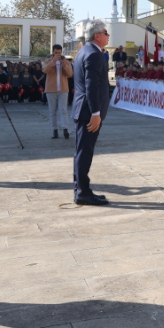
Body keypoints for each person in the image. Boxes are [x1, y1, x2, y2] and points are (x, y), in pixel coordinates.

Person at [71, 19, 111, 206]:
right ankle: (83, 192)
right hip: (88, 112)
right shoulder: (93, 54)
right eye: (105, 32)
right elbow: (91, 86)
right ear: (97, 35)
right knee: (84, 152)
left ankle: (81, 188)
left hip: (84, 110)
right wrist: (96, 112)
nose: (108, 35)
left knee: (82, 151)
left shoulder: (85, 51)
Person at [43, 44, 73, 140]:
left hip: (63, 89)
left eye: (59, 53)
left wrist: (64, 64)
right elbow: (44, 70)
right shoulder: (47, 61)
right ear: (53, 52)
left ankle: (65, 129)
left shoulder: (66, 61)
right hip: (51, 89)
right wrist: (53, 61)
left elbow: (70, 73)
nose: (58, 54)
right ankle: (54, 130)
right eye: (56, 53)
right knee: (52, 111)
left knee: (63, 110)